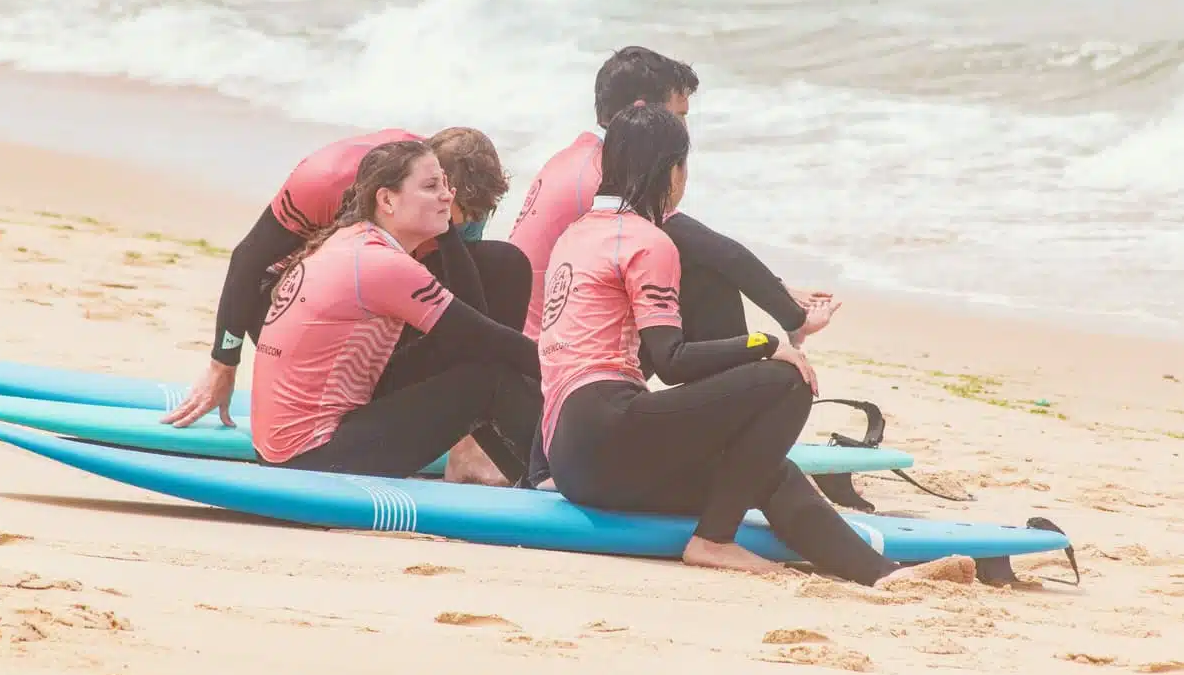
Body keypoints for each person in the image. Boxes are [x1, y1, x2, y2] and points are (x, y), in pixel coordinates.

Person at [536, 103, 976, 586]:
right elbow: (672, 360)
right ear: (671, 171)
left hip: (571, 457)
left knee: (767, 471)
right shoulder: (647, 240)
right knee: (787, 381)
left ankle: (883, 576)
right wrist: (766, 344)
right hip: (607, 430)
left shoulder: (576, 234)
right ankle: (714, 540)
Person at [162, 125, 531, 485]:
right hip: (314, 441)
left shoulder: (364, 234)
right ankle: (550, 477)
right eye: (436, 191)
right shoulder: (332, 189)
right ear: (387, 197)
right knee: (488, 375)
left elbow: (475, 320)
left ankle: (486, 446)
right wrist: (223, 362)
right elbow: (248, 259)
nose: (452, 210)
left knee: (502, 282)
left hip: (312, 410)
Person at [508, 45, 837, 358]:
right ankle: (737, 397)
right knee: (706, 277)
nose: (685, 131)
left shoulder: (579, 157)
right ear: (642, 111)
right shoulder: (603, 173)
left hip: (548, 346)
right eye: (680, 116)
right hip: (549, 364)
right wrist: (794, 318)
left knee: (693, 267)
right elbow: (710, 248)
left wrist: (780, 290)